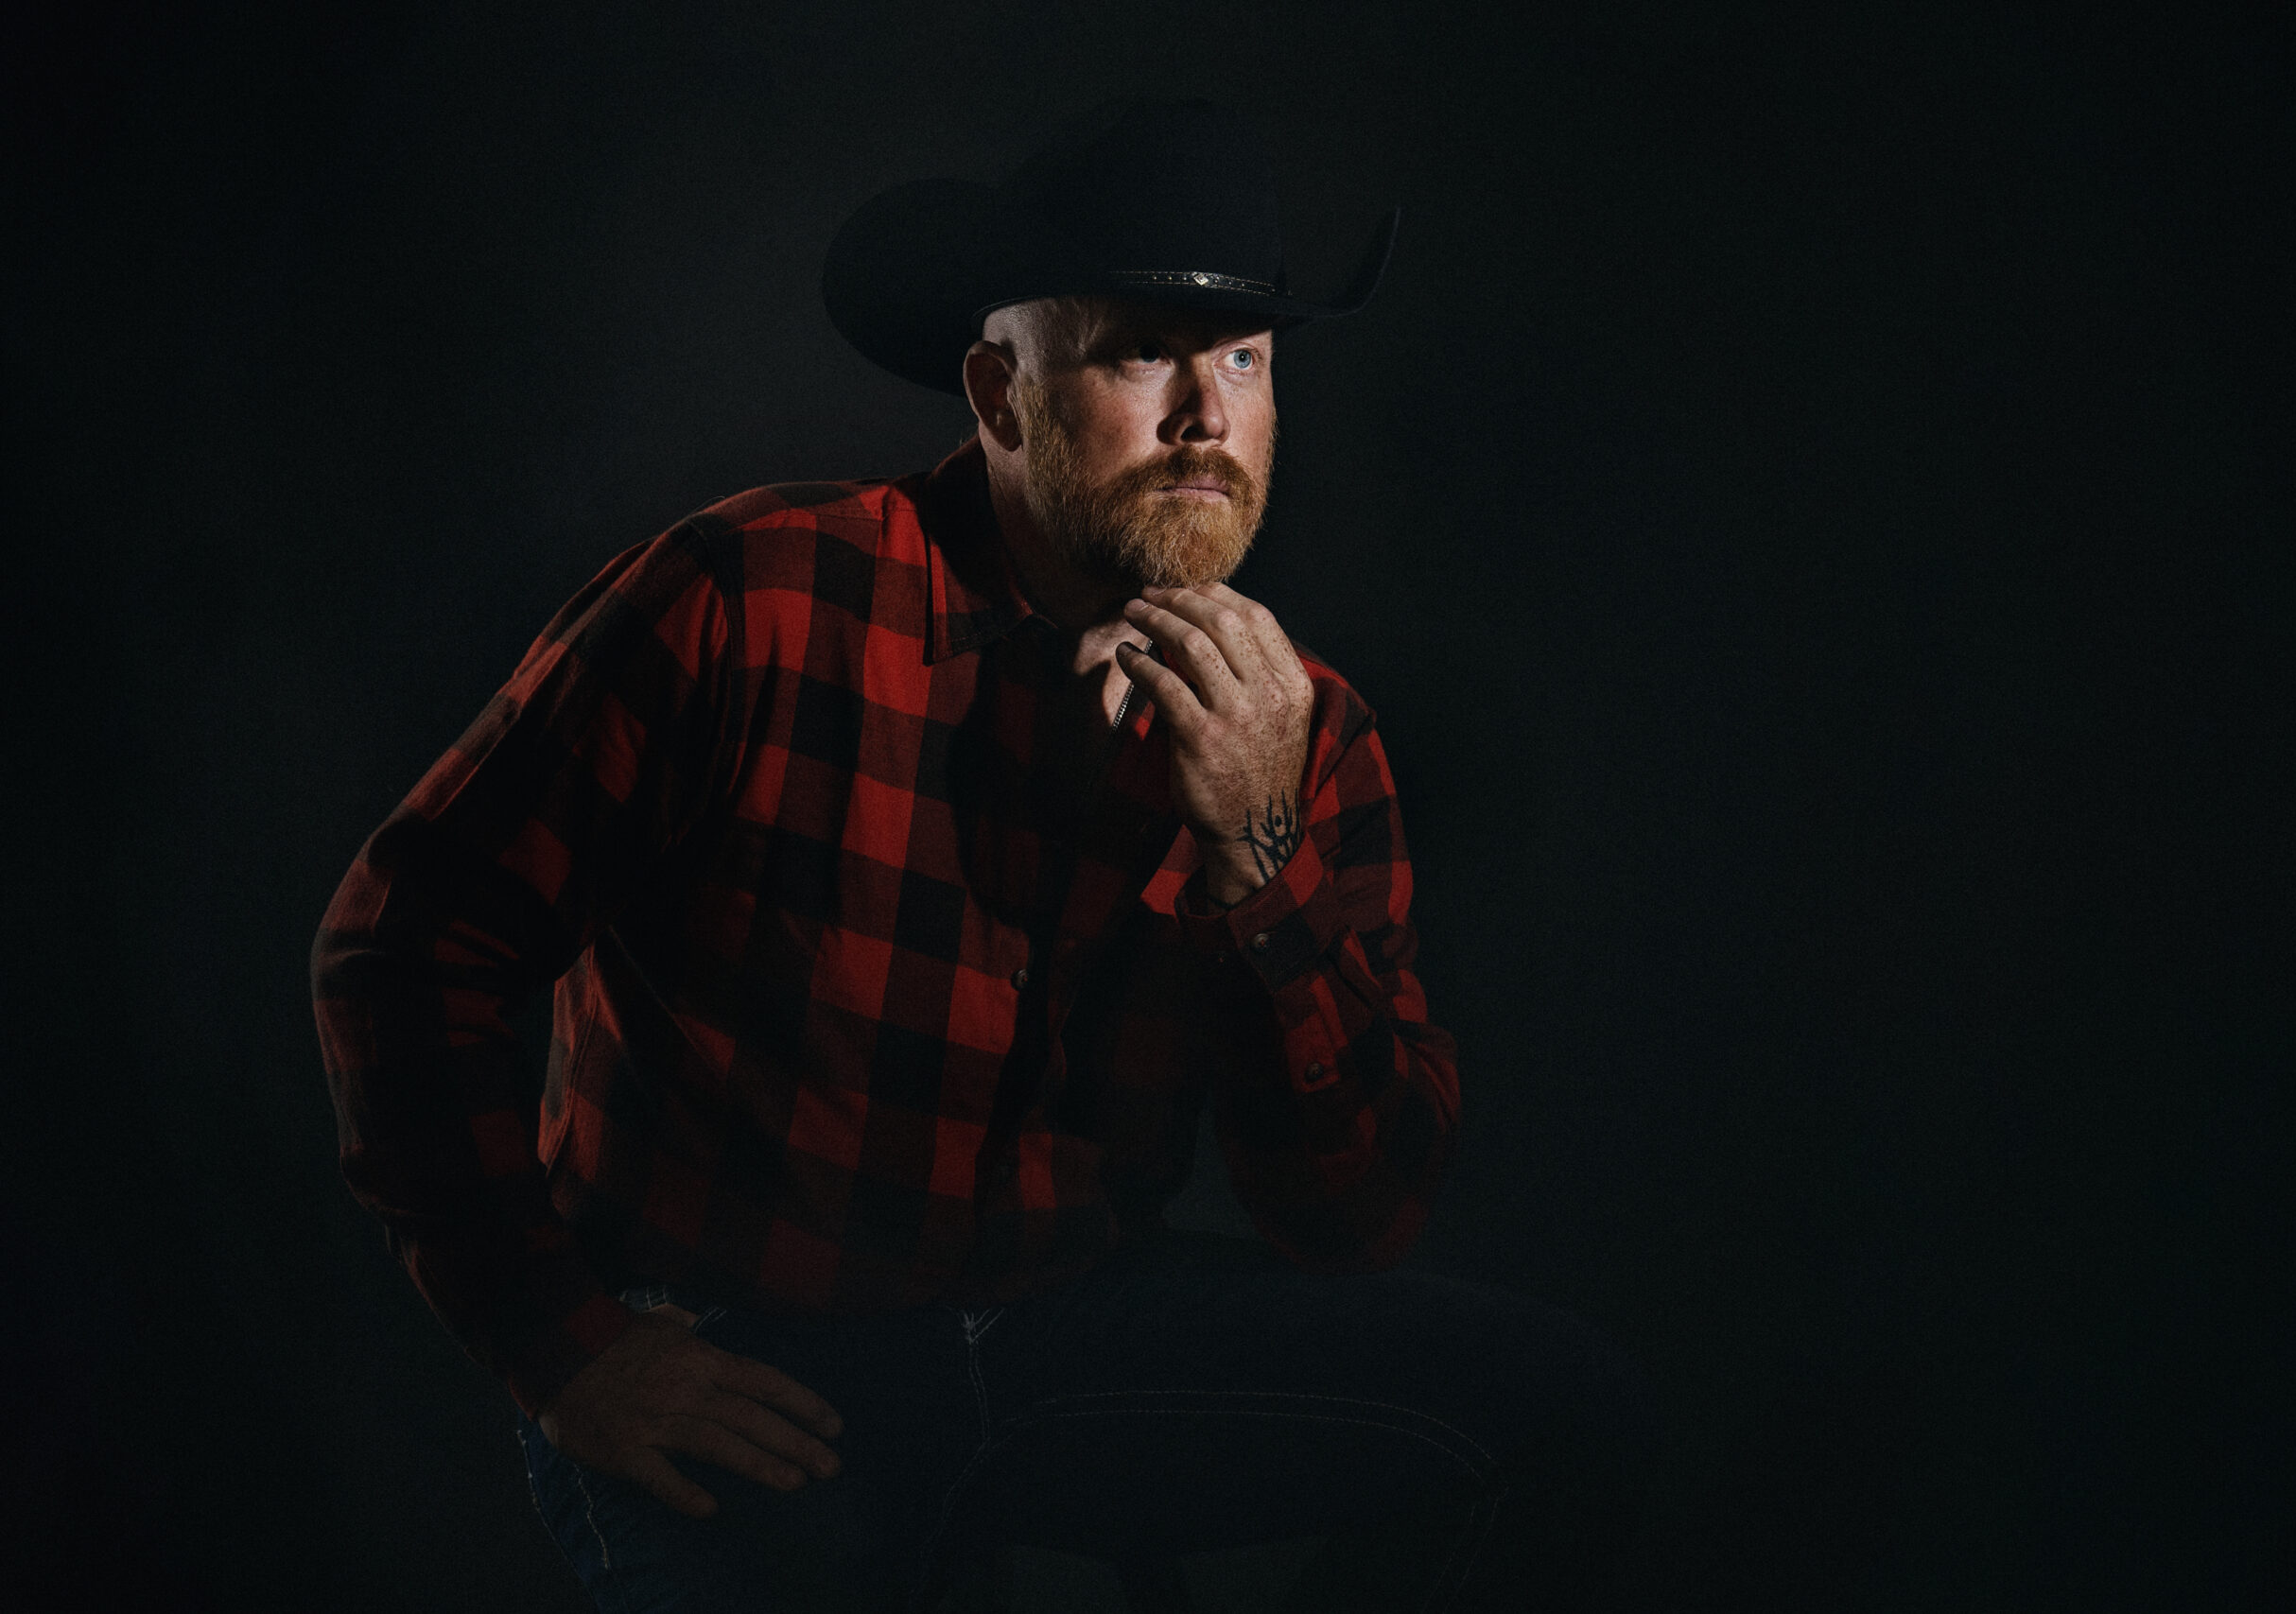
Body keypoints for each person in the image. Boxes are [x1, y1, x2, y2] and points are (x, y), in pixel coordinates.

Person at [311, 97, 1654, 1612]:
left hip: (1059, 1340)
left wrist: (1254, 859)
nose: (1209, 418)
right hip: (738, 1355)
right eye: (1143, 352)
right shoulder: (750, 600)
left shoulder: (1302, 729)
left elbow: (1354, 1218)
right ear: (999, 394)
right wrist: (566, 1349)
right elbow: (401, 948)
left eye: (1248, 358)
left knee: (1562, 1414)